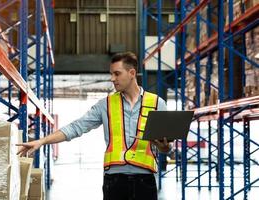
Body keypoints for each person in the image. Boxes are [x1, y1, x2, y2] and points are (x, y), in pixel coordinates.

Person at [17, 52, 172, 200]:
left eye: (117, 74)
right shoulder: (106, 104)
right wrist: (41, 141)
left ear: (132, 73)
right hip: (114, 181)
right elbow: (76, 127)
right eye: (111, 74)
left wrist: (164, 147)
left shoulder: (157, 103)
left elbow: (166, 146)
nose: (112, 79)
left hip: (145, 180)